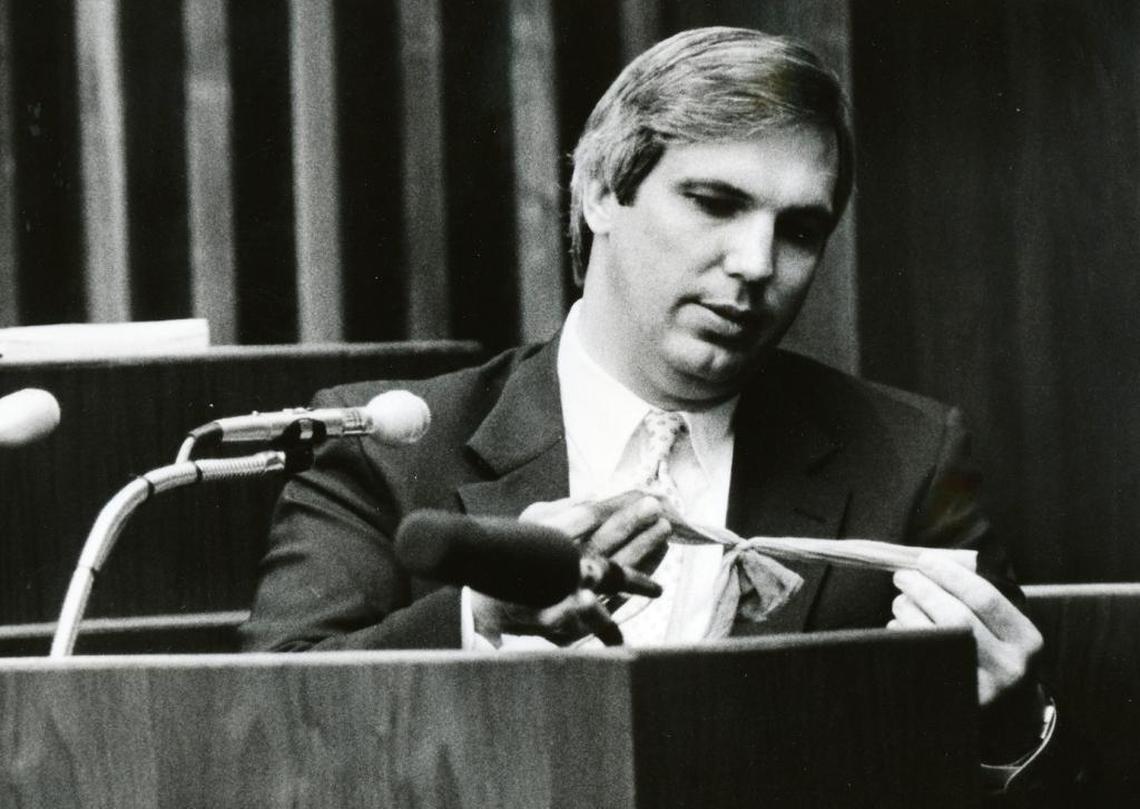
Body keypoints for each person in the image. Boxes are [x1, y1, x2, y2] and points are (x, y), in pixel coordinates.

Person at [240, 26, 1052, 789]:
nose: (756, 263)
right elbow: (262, 734)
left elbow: (1018, 763)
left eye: (800, 230)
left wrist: (1003, 724)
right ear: (598, 191)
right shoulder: (387, 445)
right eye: (715, 202)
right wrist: (481, 615)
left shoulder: (910, 459)